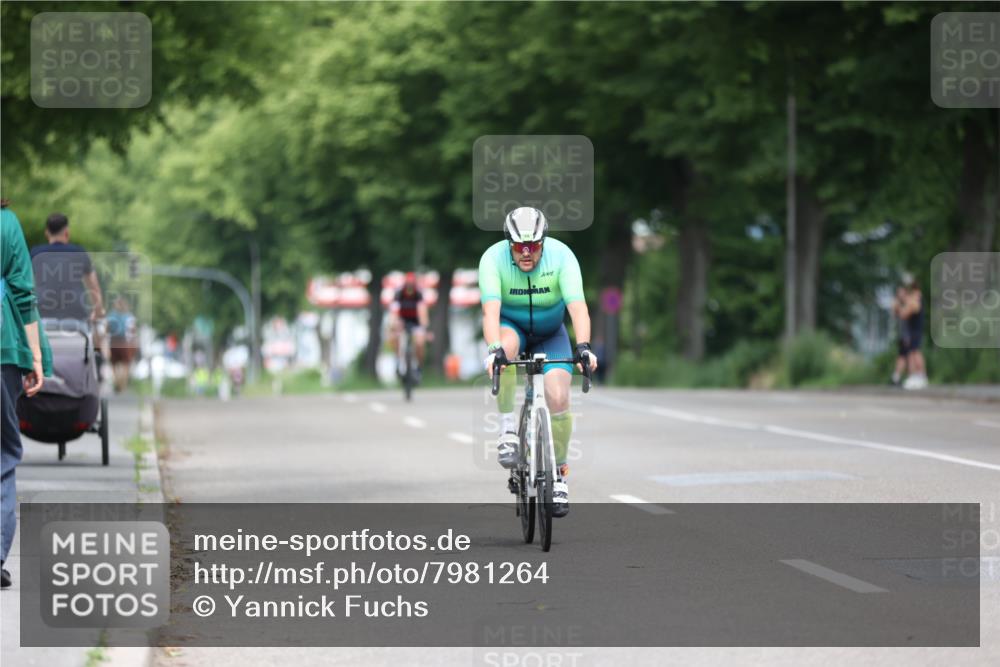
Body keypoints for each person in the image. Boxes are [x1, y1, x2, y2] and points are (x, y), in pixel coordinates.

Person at [479, 206, 598, 518]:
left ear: (544, 242)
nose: (527, 254)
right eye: (519, 247)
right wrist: (494, 349)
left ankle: (558, 473)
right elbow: (490, 312)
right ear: (510, 245)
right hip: (512, 328)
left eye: (534, 246)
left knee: (559, 397)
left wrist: (584, 347)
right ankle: (507, 431)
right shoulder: (492, 259)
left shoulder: (562, 257)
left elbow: (579, 308)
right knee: (503, 354)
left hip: (551, 333)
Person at [1, 201, 49, 589]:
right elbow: (22, 293)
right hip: (2, 349)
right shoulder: (6, 224)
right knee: (2, 452)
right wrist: (35, 356)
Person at [30, 212, 105, 324]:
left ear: (47, 233)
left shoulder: (35, 253)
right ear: (67, 232)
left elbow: (26, 285)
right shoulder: (80, 252)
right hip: (77, 316)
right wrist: (98, 312)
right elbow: (94, 288)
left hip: (42, 315)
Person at [388, 272, 429, 380]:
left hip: (416, 321)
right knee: (394, 336)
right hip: (402, 320)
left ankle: (419, 367)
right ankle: (397, 361)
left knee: (420, 343)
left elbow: (423, 312)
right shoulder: (399, 293)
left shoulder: (418, 294)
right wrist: (394, 324)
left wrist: (423, 326)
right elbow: (393, 312)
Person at [896, 272, 927, 390]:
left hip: (916, 328)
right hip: (911, 329)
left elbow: (905, 313)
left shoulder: (916, 296)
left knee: (916, 352)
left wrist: (902, 305)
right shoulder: (912, 297)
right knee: (911, 353)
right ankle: (914, 376)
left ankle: (922, 376)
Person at [107, 296, 137, 393]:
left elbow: (106, 329)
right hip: (124, 342)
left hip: (113, 341)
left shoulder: (111, 315)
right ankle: (122, 384)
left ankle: (117, 381)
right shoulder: (129, 316)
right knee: (126, 365)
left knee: (113, 364)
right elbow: (133, 331)